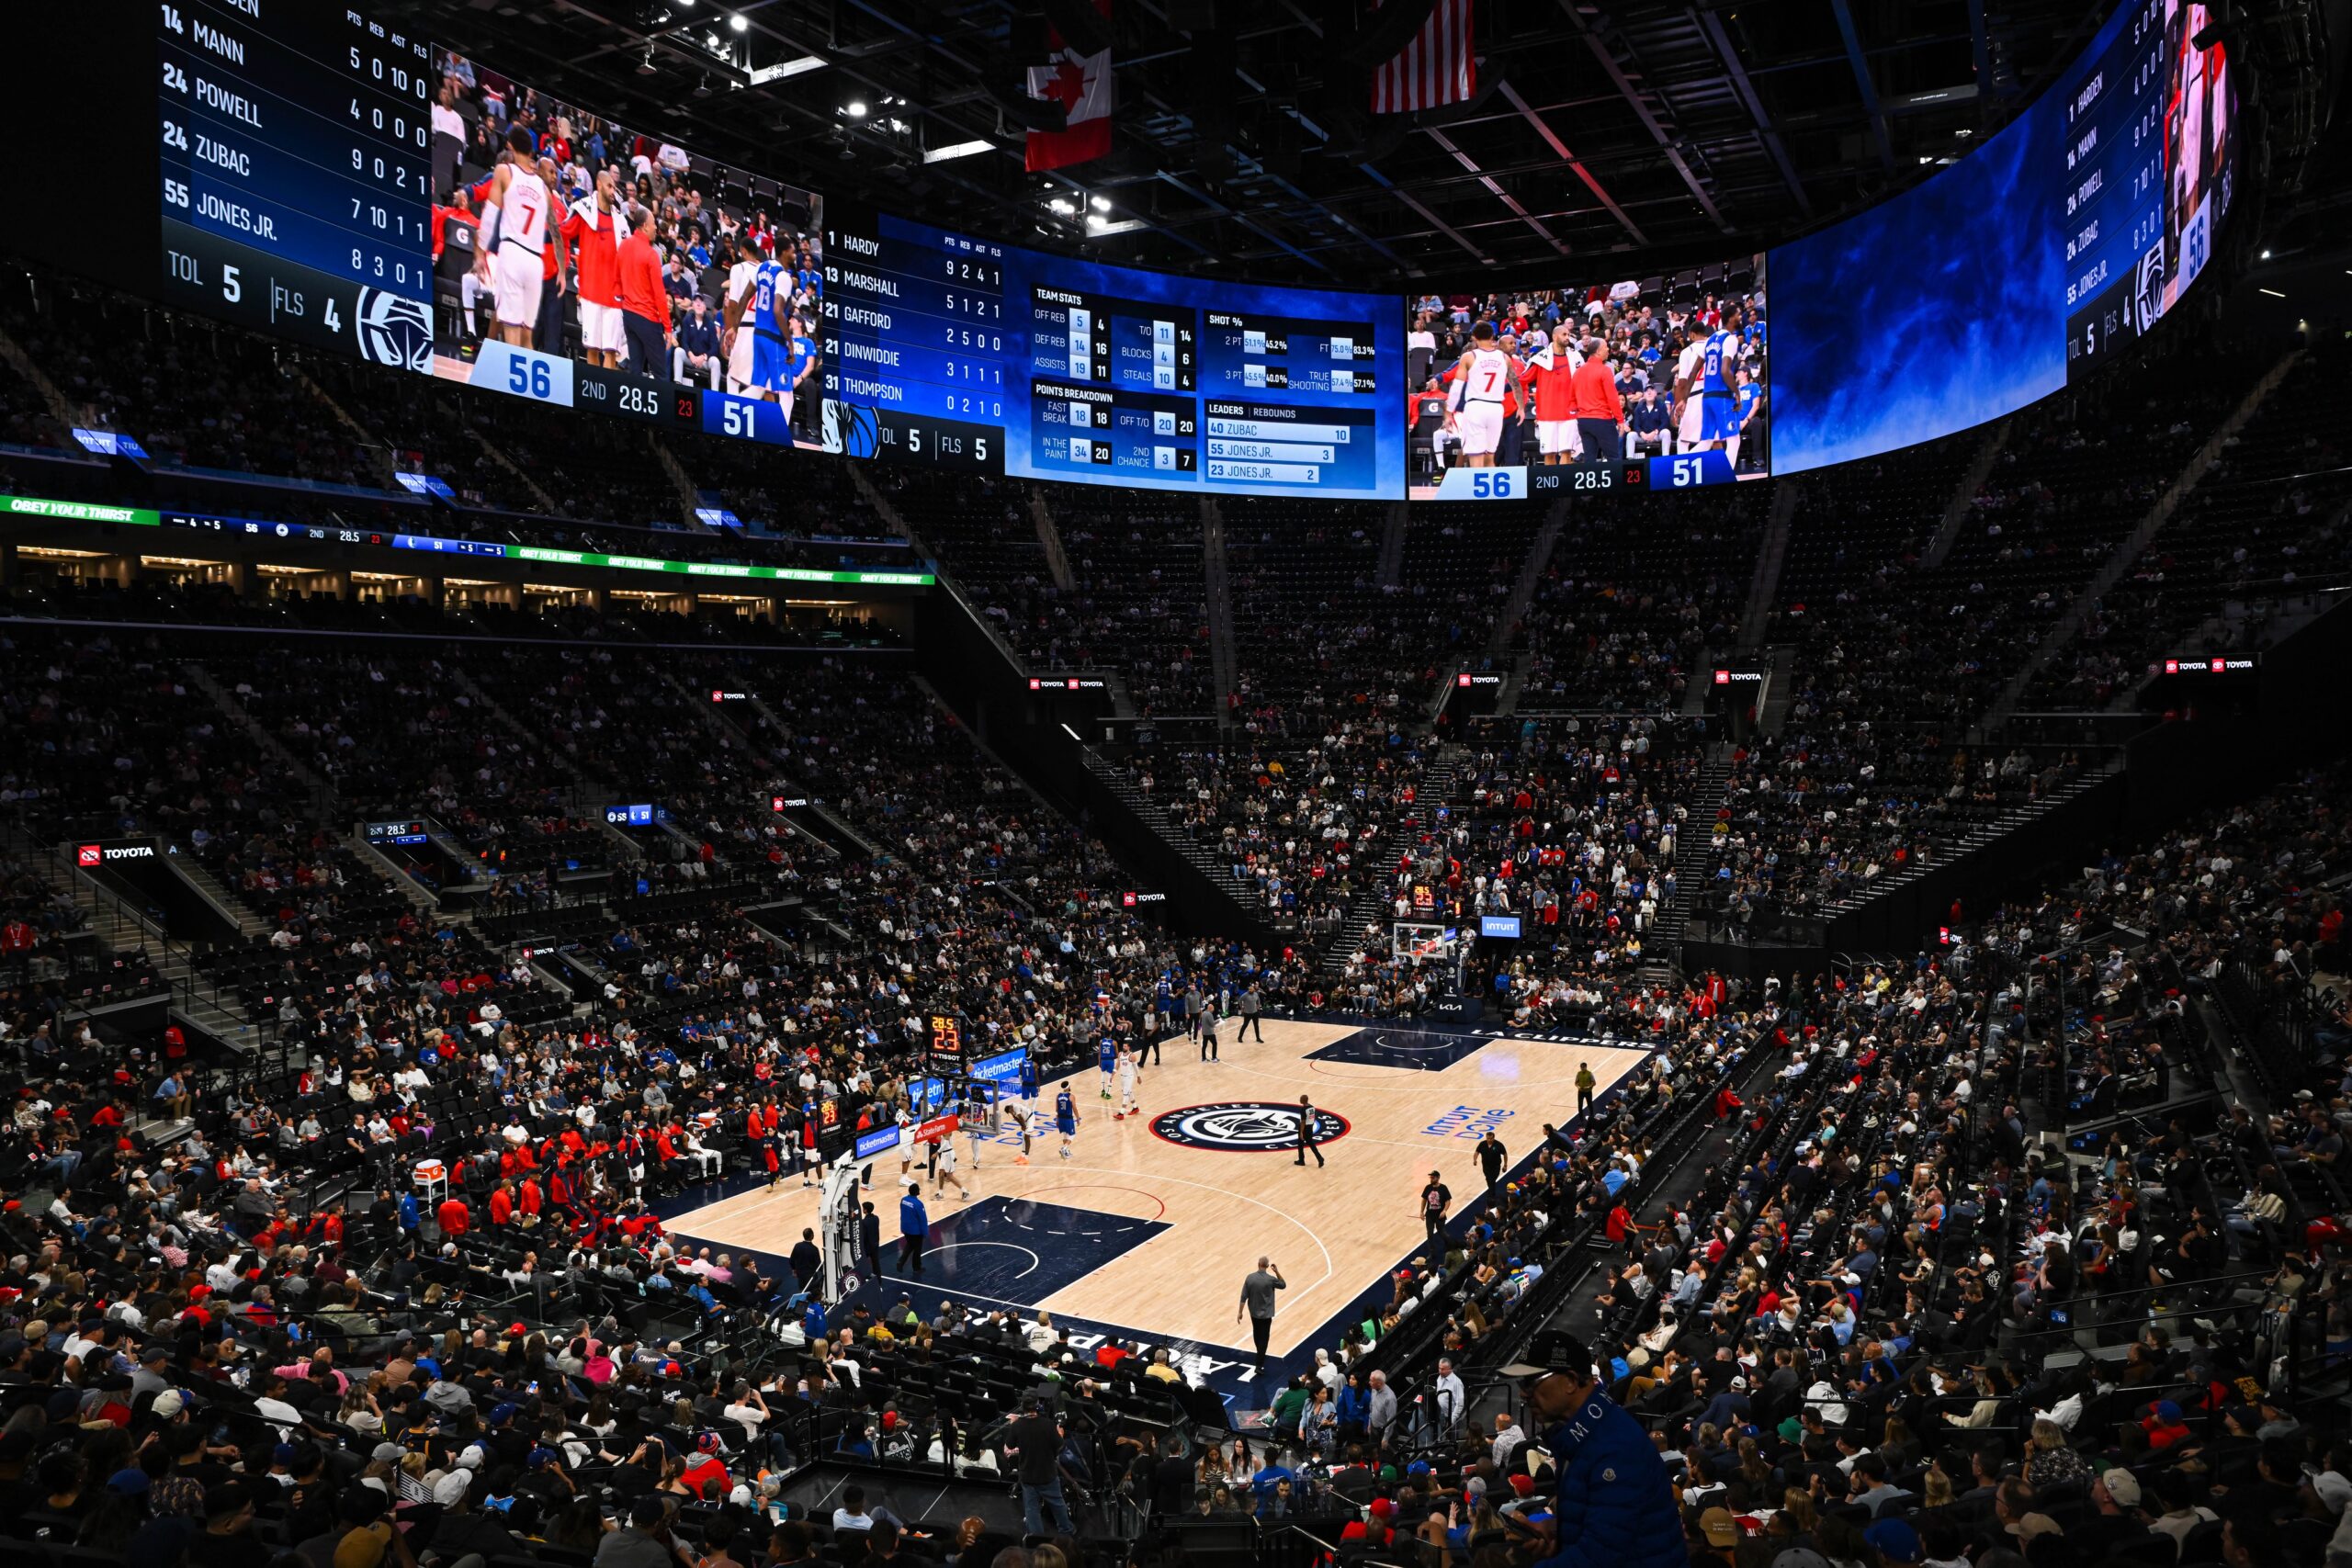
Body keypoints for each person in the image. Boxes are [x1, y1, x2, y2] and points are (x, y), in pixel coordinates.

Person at [1516, 1330, 1685, 1568]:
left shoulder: (1616, 1448)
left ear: (1571, 1381)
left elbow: (1599, 1557)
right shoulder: (1588, 1435)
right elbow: (1612, 1525)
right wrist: (1560, 1531)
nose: (1523, 1393)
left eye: (1530, 1381)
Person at [1446, 321, 1521, 468]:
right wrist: (1521, 407)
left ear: (1474, 336)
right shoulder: (1504, 358)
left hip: (1476, 406)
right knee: (1490, 457)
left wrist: (1448, 412)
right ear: (1492, 336)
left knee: (1476, 456)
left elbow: (1457, 387)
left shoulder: (1469, 356)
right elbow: (1516, 385)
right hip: (1496, 408)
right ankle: (1491, 490)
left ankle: (1476, 489)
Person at [1005, 1396, 1074, 1538]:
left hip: (1028, 1474)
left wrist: (1013, 1425)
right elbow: (1060, 1447)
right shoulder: (1048, 1424)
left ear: (1022, 1408)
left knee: (1031, 1509)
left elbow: (1010, 1445)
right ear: (1037, 1407)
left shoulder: (1017, 1425)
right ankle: (1066, 1530)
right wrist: (1060, 1435)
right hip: (1048, 1473)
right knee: (1058, 1503)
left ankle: (1036, 1537)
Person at [1238, 1258, 1285, 1373]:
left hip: (1254, 1314)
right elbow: (1283, 1285)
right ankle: (1259, 1364)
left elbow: (1244, 1296)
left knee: (1257, 1333)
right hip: (1266, 1315)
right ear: (1268, 1265)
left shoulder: (1250, 1278)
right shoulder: (1271, 1280)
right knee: (1264, 1338)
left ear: (1258, 1264)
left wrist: (1240, 1312)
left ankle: (1260, 1353)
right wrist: (1276, 1271)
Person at [897, 1180, 927, 1277]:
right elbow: (923, 1219)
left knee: (910, 1245)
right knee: (917, 1250)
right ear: (917, 1192)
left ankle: (901, 1262)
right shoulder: (918, 1204)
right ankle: (916, 1268)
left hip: (906, 1228)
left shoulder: (903, 1200)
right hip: (916, 1232)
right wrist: (925, 1232)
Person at [1295, 1095, 1325, 1168]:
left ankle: (1302, 1161)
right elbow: (1313, 1118)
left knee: (1300, 1144)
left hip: (1304, 1128)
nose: (1299, 1099)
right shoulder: (1312, 1107)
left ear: (1303, 1100)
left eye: (1300, 1098)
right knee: (1311, 1144)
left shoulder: (1303, 1109)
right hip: (1310, 1127)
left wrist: (1301, 1132)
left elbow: (1303, 1122)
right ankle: (1319, 1158)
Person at [1421, 1170, 1453, 1242]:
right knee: (1430, 1234)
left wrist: (1444, 1211)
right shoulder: (1427, 1187)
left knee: (1442, 1232)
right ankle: (1432, 1252)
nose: (1431, 1179)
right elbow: (1424, 1200)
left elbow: (1448, 1201)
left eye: (1433, 1177)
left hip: (1440, 1215)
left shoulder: (1443, 1188)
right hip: (1429, 1215)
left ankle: (1450, 1244)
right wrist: (1421, 1212)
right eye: (1430, 1177)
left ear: (1438, 1178)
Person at [1055, 1081, 1080, 1161]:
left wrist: (1057, 1119)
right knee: (1072, 1135)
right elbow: (1074, 1108)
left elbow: (1056, 1109)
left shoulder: (1058, 1096)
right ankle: (1063, 1148)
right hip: (1068, 1118)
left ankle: (1065, 1152)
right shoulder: (1071, 1096)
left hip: (1061, 1118)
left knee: (1065, 1135)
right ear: (1068, 1087)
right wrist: (1078, 1118)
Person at [1115, 1043, 1140, 1121]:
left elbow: (1136, 1068)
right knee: (1129, 1092)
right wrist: (1113, 1074)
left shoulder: (1132, 1056)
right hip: (1122, 1076)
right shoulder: (1120, 1054)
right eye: (1123, 1046)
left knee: (1125, 1094)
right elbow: (1117, 1065)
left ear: (1129, 1047)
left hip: (1129, 1077)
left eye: (1125, 1046)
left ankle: (1121, 1113)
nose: (1123, 1047)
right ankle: (1135, 1107)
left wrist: (1138, 1077)